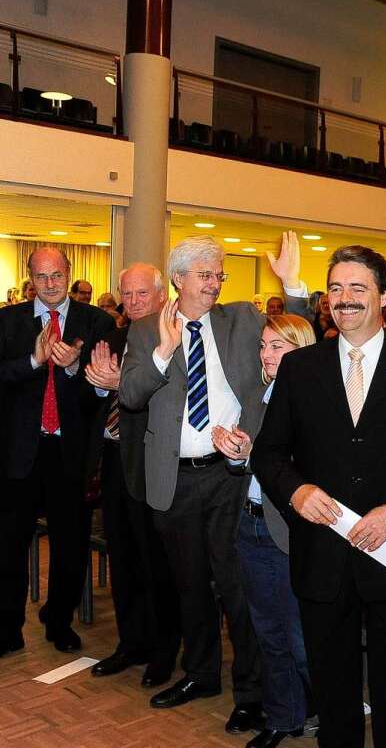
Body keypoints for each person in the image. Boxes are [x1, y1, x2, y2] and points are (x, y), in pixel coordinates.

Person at [252, 245, 386, 748]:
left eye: (358, 288)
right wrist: (297, 492)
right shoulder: (300, 368)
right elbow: (269, 454)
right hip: (323, 554)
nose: (345, 299)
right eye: (336, 289)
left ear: (384, 297)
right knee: (333, 686)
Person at [119, 236, 263, 731]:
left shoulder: (240, 319)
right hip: (174, 478)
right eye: (206, 274)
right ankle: (201, 673)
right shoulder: (143, 330)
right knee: (190, 584)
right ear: (178, 278)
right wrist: (162, 352)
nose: (215, 283)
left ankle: (252, 690)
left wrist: (295, 284)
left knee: (235, 585)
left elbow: (296, 333)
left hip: (230, 477)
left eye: (219, 274)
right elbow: (131, 396)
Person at [0, 247, 114, 655]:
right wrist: (34, 360)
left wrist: (72, 370)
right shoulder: (8, 321)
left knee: (70, 544)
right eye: (42, 276)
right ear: (30, 277)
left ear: (70, 273)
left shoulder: (97, 322)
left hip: (71, 453)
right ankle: (7, 628)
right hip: (18, 454)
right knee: (9, 545)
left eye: (57, 275)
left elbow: (100, 396)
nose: (50, 284)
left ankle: (60, 620)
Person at [213, 314, 316, 748]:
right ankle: (282, 715)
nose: (266, 355)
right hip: (250, 523)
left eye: (278, 347)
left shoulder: (317, 401)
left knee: (299, 636)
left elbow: (309, 473)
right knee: (266, 630)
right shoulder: (256, 396)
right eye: (264, 346)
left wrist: (253, 456)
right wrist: (236, 455)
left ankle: (331, 707)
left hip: (291, 530)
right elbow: (248, 465)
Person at [83, 263, 181, 688]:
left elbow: (169, 394)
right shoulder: (116, 337)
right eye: (128, 295)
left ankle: (163, 650)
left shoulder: (176, 338)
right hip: (117, 463)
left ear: (162, 296)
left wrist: (122, 382)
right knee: (123, 560)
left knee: (157, 563)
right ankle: (131, 642)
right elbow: (98, 397)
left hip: (156, 465)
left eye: (143, 294)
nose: (135, 302)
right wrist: (102, 386)